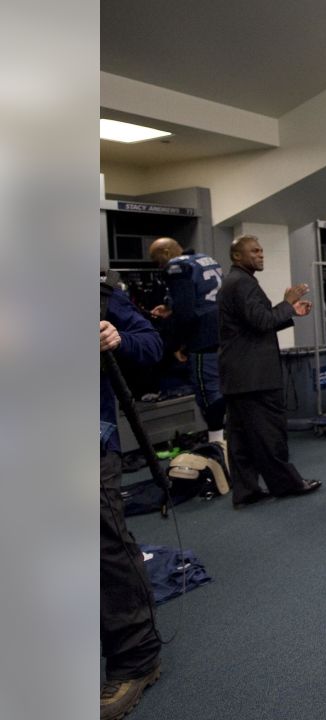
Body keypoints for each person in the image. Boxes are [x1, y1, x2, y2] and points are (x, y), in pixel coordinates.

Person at [217, 235, 322, 508]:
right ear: (237, 256)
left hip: (239, 375)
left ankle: (246, 491)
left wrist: (289, 312)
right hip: (255, 377)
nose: (261, 255)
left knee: (240, 439)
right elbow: (262, 322)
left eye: (262, 250)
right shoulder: (241, 283)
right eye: (254, 251)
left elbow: (253, 324)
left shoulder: (236, 282)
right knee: (270, 434)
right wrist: (287, 302)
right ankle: (287, 484)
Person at [99, 283, 165, 720]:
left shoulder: (99, 296)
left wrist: (118, 338)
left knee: (101, 538)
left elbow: (152, 343)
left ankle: (136, 657)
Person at [147, 237, 227, 451]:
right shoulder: (205, 259)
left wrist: (176, 344)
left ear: (165, 252)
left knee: (207, 392)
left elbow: (185, 313)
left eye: (157, 259)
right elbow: (199, 298)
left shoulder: (177, 267)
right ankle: (226, 439)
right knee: (220, 388)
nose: (158, 265)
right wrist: (170, 307)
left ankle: (217, 444)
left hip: (201, 337)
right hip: (220, 332)